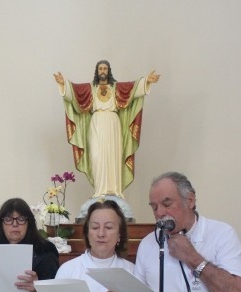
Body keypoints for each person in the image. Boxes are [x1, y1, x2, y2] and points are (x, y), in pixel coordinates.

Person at [54, 60, 161, 198]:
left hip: (113, 124)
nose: (102, 71)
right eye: (100, 69)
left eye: (105, 68)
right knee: (96, 157)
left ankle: (114, 191)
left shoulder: (116, 87)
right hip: (96, 124)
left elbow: (134, 89)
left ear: (109, 70)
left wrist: (147, 80)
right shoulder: (90, 88)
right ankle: (99, 191)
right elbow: (74, 92)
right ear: (97, 71)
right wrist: (64, 84)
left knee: (113, 156)